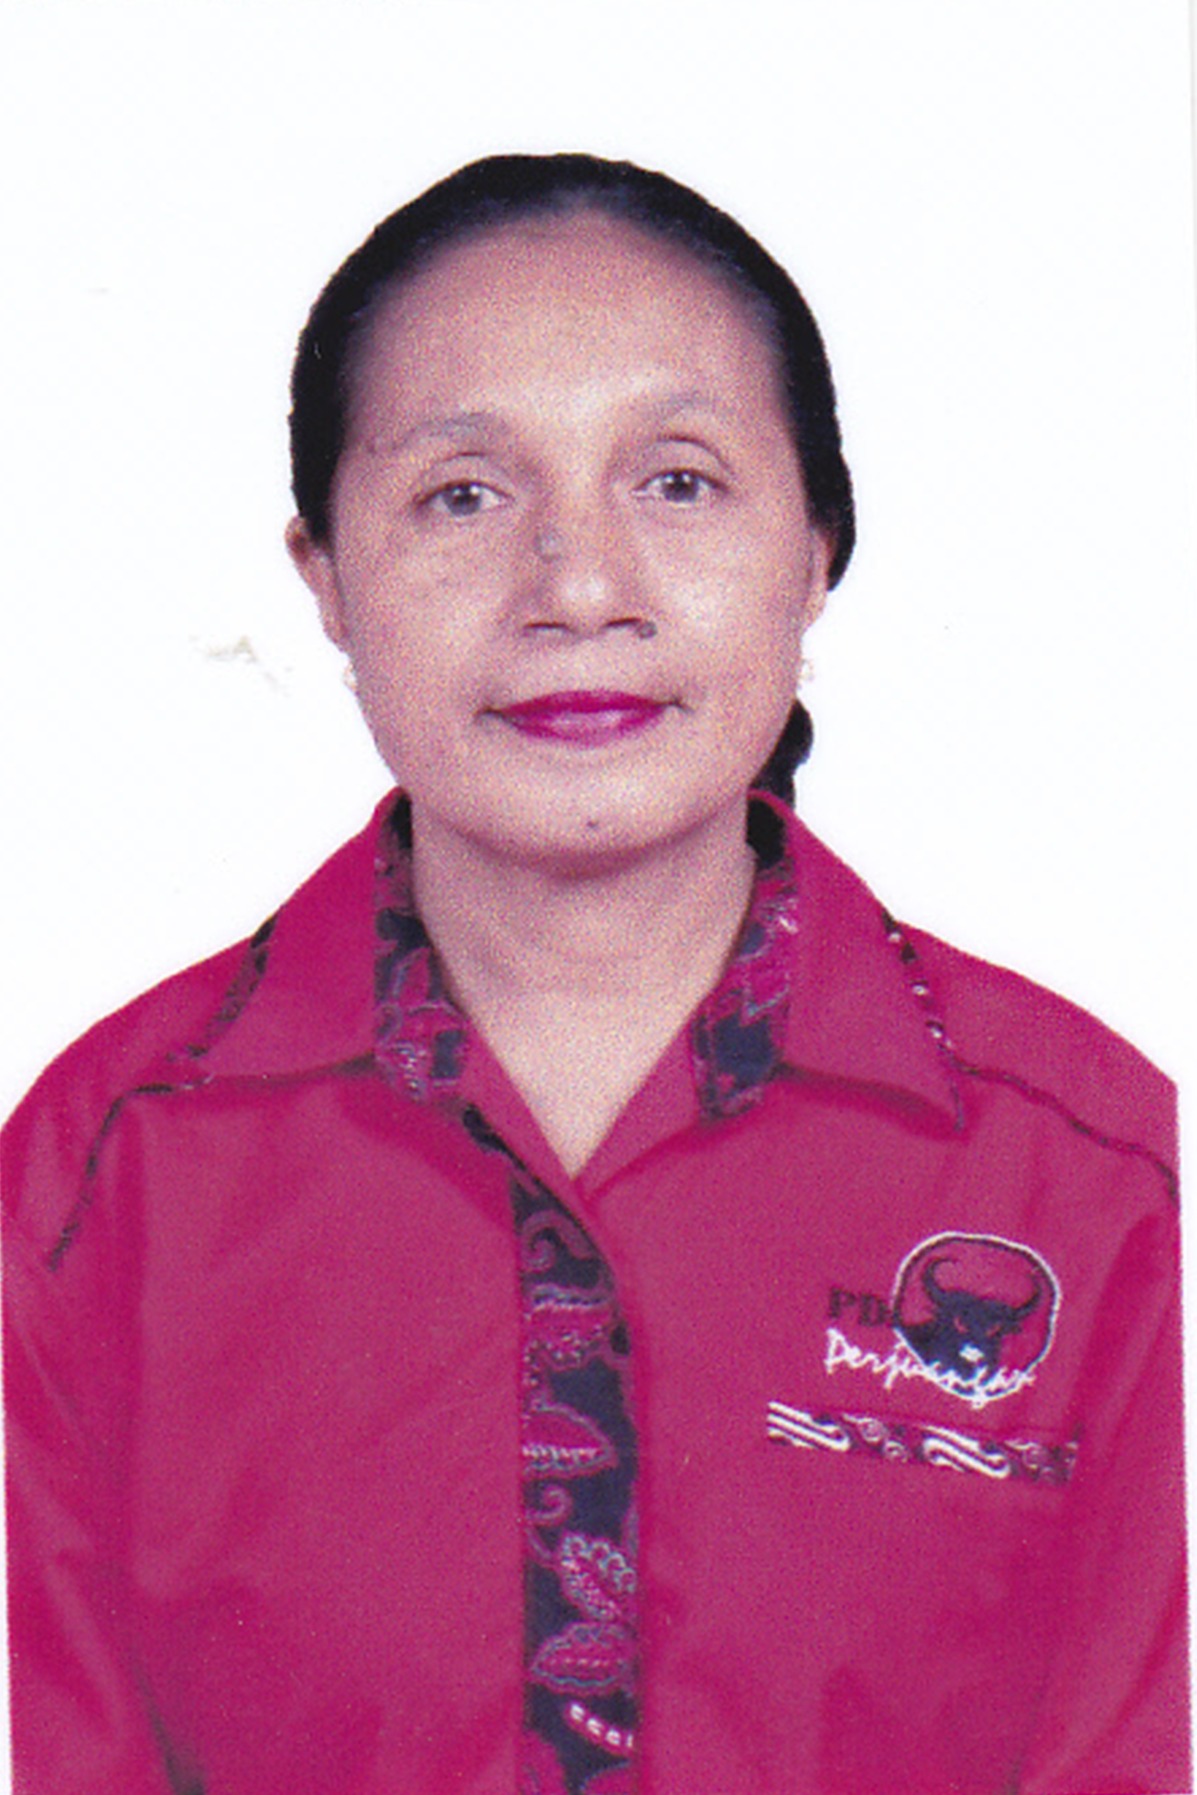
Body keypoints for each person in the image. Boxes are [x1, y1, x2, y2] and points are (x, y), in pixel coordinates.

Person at [1, 153, 1187, 1795]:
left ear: (814, 552)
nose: (576, 589)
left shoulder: (1096, 1178)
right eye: (463, 496)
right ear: (325, 579)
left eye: (677, 483)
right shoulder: (102, 1179)